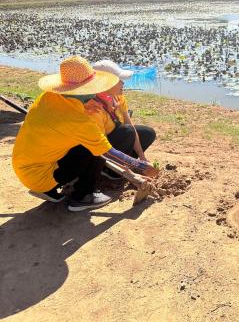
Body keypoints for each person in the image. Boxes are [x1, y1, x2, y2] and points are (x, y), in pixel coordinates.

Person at [12, 56, 159, 212]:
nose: (94, 92)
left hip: (24, 166)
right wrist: (140, 166)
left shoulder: (48, 97)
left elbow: (61, 119)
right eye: (91, 89)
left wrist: (86, 104)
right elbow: (108, 153)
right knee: (93, 148)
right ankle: (83, 197)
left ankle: (53, 187)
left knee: (88, 144)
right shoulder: (78, 120)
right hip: (42, 175)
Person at [85, 60, 156, 178]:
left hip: (117, 140)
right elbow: (102, 148)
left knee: (147, 133)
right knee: (127, 131)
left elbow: (130, 125)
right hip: (102, 151)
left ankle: (128, 164)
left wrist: (142, 157)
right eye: (119, 80)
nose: (123, 83)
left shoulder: (118, 96)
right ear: (106, 83)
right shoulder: (93, 108)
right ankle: (111, 170)